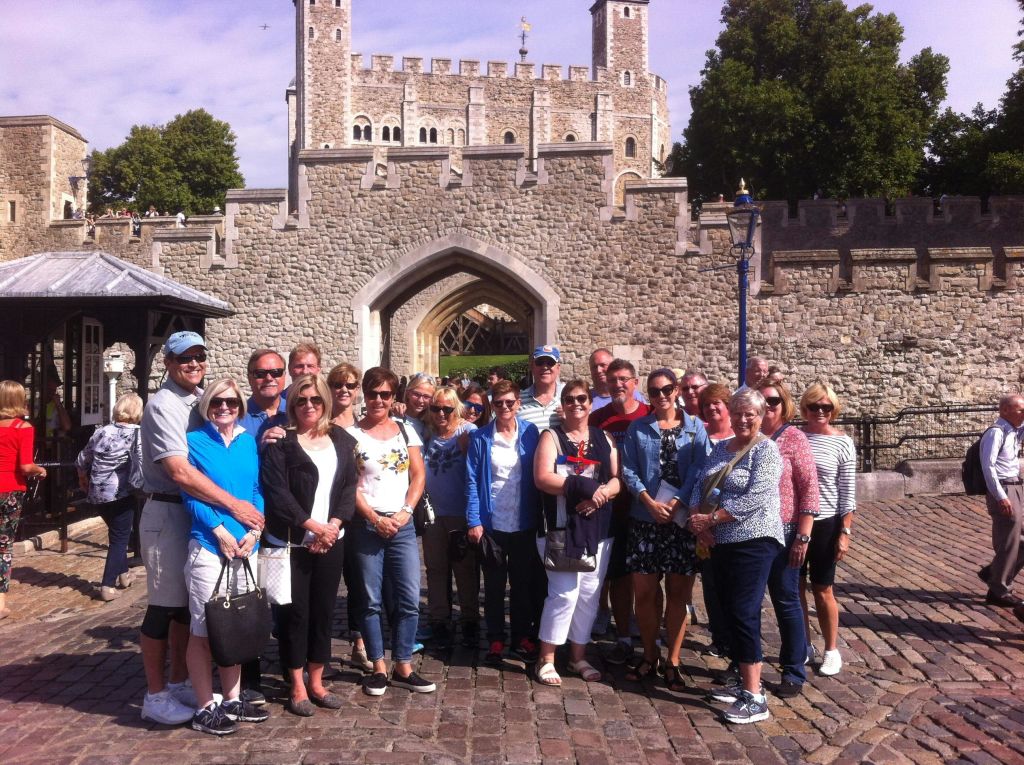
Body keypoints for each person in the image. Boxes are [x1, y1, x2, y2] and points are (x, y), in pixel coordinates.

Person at [137, 331, 265, 725]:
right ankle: (155, 694)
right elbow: (180, 472)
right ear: (168, 363)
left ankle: (179, 683)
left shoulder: (198, 401)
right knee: (162, 608)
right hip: (172, 511)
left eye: (199, 357)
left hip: (196, 514)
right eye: (184, 358)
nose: (193, 364)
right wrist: (235, 509)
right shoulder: (163, 405)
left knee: (182, 609)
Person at [261, 374, 358, 715]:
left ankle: (317, 679)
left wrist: (332, 527)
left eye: (315, 400)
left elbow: (348, 489)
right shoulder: (281, 443)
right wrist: (313, 527)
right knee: (294, 615)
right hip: (293, 543)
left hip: (332, 541)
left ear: (325, 403)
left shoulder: (342, 440)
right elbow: (277, 494)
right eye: (301, 401)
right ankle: (297, 683)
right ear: (292, 404)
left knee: (323, 612)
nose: (309, 406)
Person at [688, 389, 784, 724]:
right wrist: (697, 521)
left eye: (751, 415)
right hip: (720, 541)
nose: (744, 420)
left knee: (744, 612)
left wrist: (711, 519)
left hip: (754, 540)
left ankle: (755, 696)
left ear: (760, 417)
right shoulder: (718, 449)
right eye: (739, 413)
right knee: (729, 612)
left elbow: (756, 497)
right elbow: (700, 486)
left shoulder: (766, 450)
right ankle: (743, 681)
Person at [181, 378, 269, 735]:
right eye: (217, 401)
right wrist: (218, 529)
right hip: (209, 545)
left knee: (234, 626)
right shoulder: (194, 442)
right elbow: (190, 494)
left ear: (240, 406)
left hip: (245, 547)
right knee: (204, 629)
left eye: (231, 402)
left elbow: (254, 491)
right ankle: (205, 706)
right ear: (207, 406)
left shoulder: (248, 442)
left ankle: (231, 698)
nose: (224, 408)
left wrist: (254, 532)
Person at [347, 367, 434, 696]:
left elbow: (418, 475)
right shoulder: (352, 436)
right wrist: (373, 516)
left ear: (394, 396)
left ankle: (403, 664)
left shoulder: (406, 431)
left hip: (402, 523)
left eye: (385, 394)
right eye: (373, 394)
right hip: (368, 524)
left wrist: (404, 512)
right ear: (364, 396)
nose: (379, 400)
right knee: (370, 600)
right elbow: (349, 486)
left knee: (409, 597)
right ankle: (378, 666)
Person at [620, 368, 708, 690]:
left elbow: (701, 468)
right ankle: (649, 653)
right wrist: (647, 501)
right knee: (644, 592)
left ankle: (673, 658)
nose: (661, 396)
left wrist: (677, 502)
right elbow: (628, 469)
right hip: (646, 519)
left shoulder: (695, 427)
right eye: (654, 391)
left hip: (680, 521)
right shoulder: (638, 428)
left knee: (677, 594)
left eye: (666, 389)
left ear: (676, 390)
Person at [533, 380, 620, 685]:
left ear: (590, 402)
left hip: (598, 529)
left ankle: (578, 657)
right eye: (569, 399)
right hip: (561, 527)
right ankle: (546, 658)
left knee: (588, 596)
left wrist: (602, 492)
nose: (576, 404)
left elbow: (616, 480)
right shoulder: (552, 437)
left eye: (581, 398)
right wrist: (581, 487)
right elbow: (543, 478)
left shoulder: (603, 437)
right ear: (563, 403)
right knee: (563, 595)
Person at [466, 379, 546, 666]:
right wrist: (474, 520)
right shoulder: (481, 438)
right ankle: (497, 637)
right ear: (492, 405)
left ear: (518, 404)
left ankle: (522, 636)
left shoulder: (531, 433)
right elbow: (473, 480)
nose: (504, 408)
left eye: (509, 402)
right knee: (496, 585)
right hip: (493, 521)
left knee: (523, 584)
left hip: (523, 520)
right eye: (498, 403)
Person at [758, 380, 818, 698]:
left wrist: (803, 536)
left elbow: (809, 487)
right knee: (749, 603)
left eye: (773, 400)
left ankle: (793, 669)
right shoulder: (749, 438)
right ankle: (746, 665)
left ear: (784, 405)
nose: (768, 406)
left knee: (786, 601)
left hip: (784, 531)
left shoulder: (793, 438)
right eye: (762, 399)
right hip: (751, 532)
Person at [588, 358, 651, 664]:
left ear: (635, 382)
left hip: (645, 507)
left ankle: (648, 629)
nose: (618, 385)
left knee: (646, 576)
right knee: (617, 576)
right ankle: (623, 634)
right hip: (611, 507)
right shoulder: (598, 418)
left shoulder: (648, 414)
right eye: (613, 380)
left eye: (624, 379)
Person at [799, 381, 856, 677]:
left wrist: (844, 533)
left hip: (825, 522)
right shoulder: (796, 437)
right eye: (815, 407)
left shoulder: (842, 442)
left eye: (826, 407)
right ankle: (804, 644)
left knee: (823, 588)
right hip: (794, 521)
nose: (820, 412)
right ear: (805, 409)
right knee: (795, 588)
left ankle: (831, 649)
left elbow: (848, 493)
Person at [421, 386, 479, 649]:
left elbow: (478, 473)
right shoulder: (427, 434)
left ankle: (469, 619)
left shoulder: (468, 433)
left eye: (447, 408)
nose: (441, 413)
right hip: (434, 514)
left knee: (465, 570)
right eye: (436, 408)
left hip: (460, 513)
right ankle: (439, 619)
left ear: (456, 408)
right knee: (435, 569)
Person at [76, 392, 143, 602]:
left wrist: (82, 479)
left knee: (117, 534)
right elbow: (142, 462)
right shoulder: (138, 433)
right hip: (121, 492)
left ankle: (124, 576)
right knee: (120, 539)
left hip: (97, 493)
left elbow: (81, 459)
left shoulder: (101, 431)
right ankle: (107, 585)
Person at [325, 362, 370, 670]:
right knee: (324, 586)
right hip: (324, 514)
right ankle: (317, 649)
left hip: (358, 514)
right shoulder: (318, 422)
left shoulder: (366, 426)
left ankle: (359, 641)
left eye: (350, 386)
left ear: (358, 391)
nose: (344, 390)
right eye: (338, 384)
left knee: (359, 582)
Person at [0, 381, 47, 620]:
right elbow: (25, 465)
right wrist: (40, 471)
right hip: (9, 490)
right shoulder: (23, 428)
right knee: (3, 545)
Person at [697, 382, 734, 657]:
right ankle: (719, 636)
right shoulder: (700, 437)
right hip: (705, 522)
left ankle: (736, 638)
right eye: (707, 405)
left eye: (716, 403)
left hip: (732, 521)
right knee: (710, 582)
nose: (712, 408)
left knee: (734, 583)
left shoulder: (738, 436)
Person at [978, 394, 1024, 607]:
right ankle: (999, 590)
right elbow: (988, 467)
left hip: (1017, 486)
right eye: (1020, 409)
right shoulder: (995, 433)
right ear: (1005, 410)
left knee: (1020, 540)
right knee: (1008, 540)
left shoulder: (1013, 431)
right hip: (1004, 489)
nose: (1023, 413)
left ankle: (995, 573)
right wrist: (1001, 496)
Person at [239, 349, 288, 445]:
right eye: (260, 373)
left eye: (276, 372)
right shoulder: (235, 418)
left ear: (284, 376)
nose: (269, 378)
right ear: (249, 378)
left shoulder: (297, 413)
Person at [519, 346, 564, 431]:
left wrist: (572, 419)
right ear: (532, 367)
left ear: (558, 368)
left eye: (550, 363)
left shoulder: (570, 396)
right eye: (540, 362)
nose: (545, 367)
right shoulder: (517, 400)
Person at [393, 373, 435, 442]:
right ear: (408, 393)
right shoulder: (396, 417)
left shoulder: (431, 422)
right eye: (416, 394)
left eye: (426, 396)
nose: (420, 400)